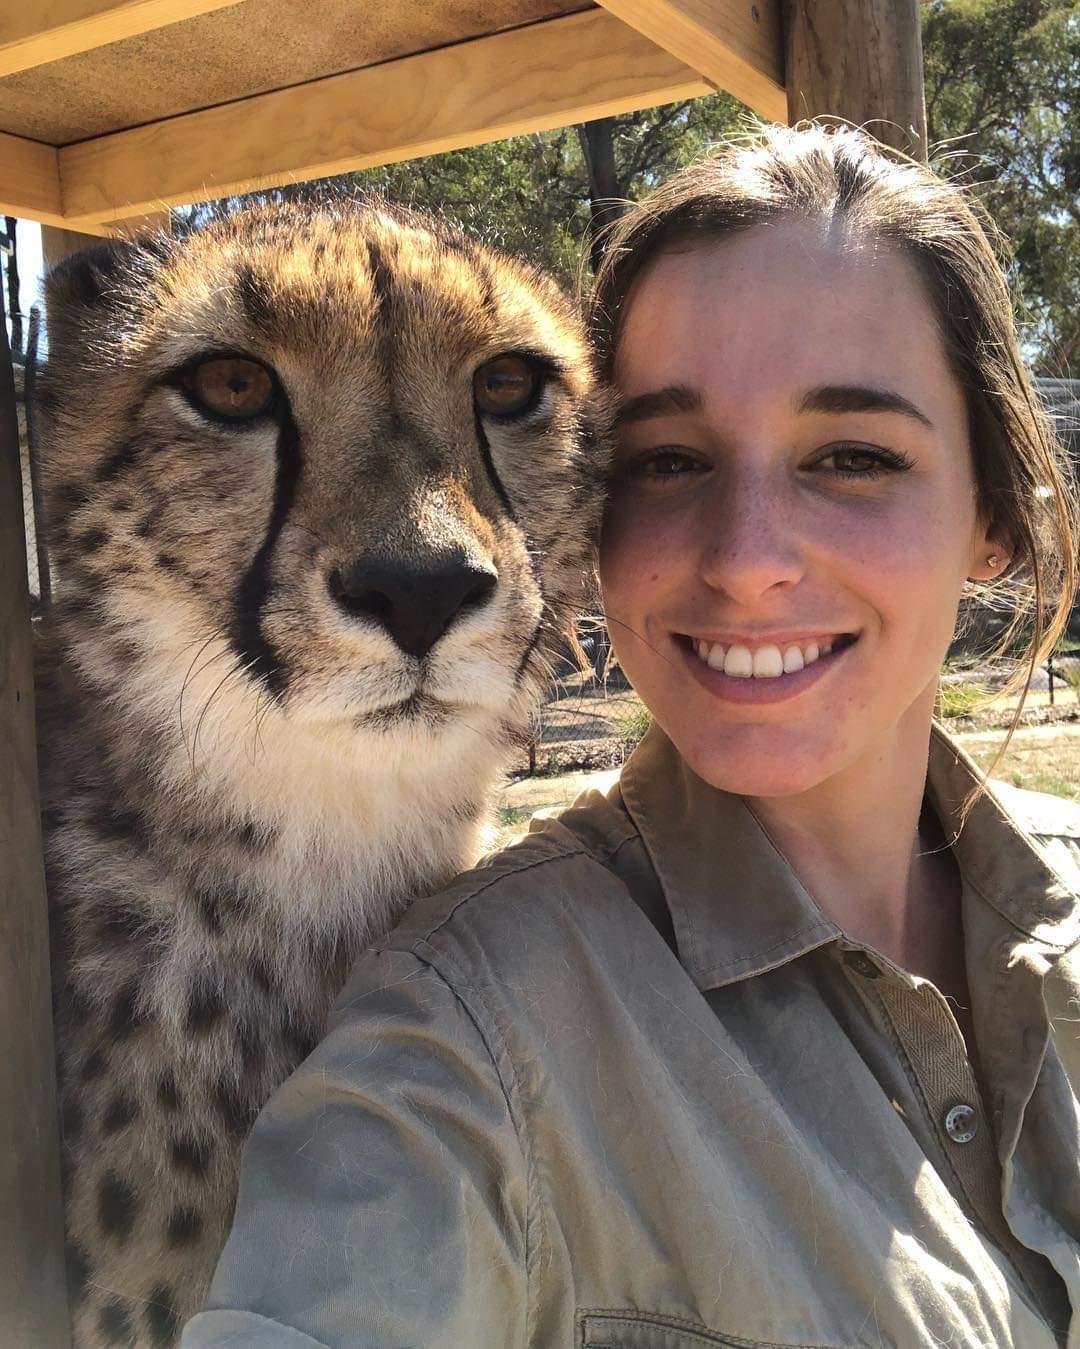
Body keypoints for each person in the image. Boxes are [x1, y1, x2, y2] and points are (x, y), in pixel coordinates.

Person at [183, 125, 1080, 1349]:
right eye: (668, 461)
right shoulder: (463, 1036)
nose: (748, 558)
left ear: (994, 520)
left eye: (854, 456)